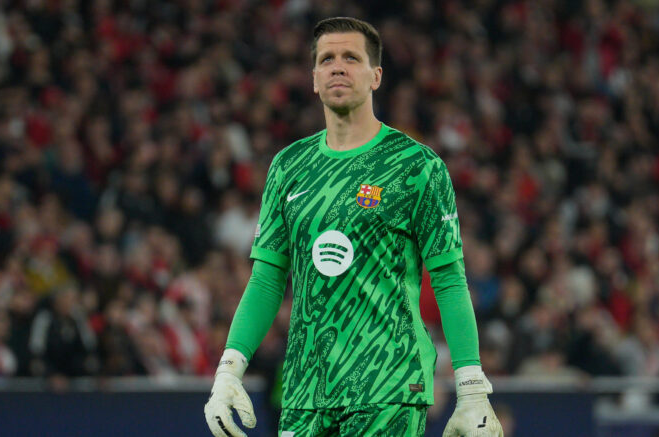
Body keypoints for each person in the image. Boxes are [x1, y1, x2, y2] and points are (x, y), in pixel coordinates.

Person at [204, 17, 503, 437]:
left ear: (375, 75)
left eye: (351, 58)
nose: (337, 67)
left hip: (388, 385)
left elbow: (450, 281)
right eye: (327, 59)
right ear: (313, 79)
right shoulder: (289, 167)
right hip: (305, 390)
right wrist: (229, 370)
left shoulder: (417, 166)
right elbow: (266, 281)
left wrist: (471, 388)